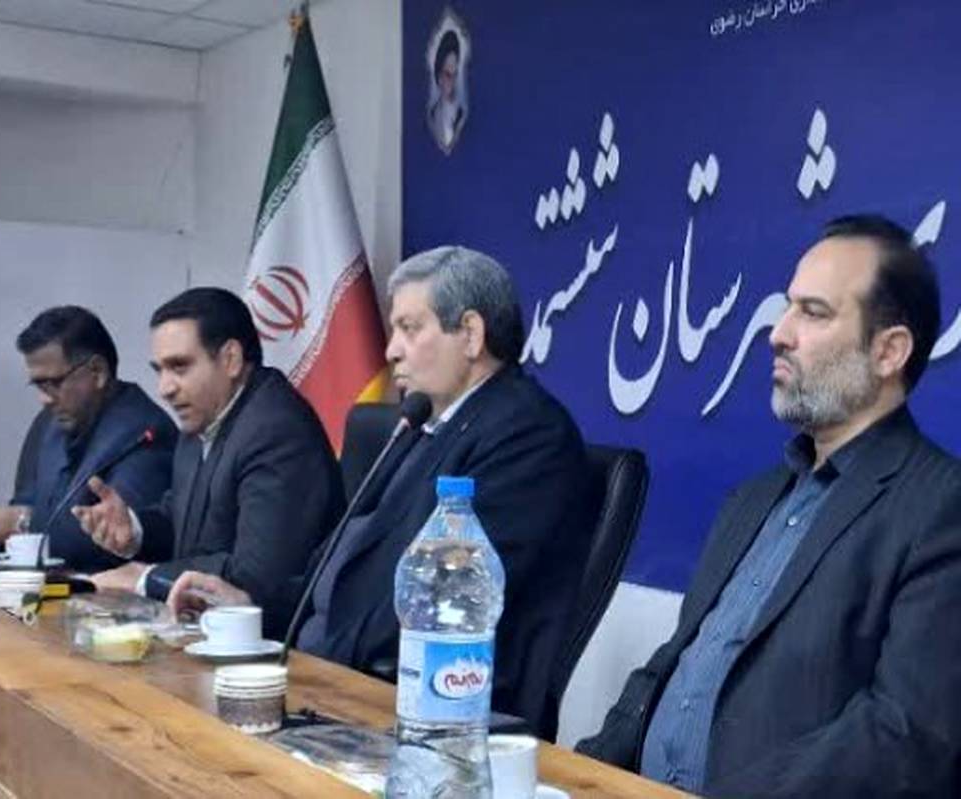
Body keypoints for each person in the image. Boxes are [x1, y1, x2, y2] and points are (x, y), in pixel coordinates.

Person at [577, 215, 961, 797]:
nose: (778, 333)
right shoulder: (752, 500)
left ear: (889, 351)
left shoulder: (940, 509)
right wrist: (578, 778)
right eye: (787, 307)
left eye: (813, 312)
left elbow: (903, 736)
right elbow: (674, 664)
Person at [164, 247, 599, 736]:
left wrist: (311, 673)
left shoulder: (525, 434)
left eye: (410, 328)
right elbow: (338, 573)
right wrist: (249, 605)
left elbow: (438, 604)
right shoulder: (425, 424)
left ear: (471, 334)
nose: (391, 350)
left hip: (425, 711)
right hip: (335, 681)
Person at [73, 288, 343, 617]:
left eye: (179, 367)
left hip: (274, 637)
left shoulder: (277, 431)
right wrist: (134, 530)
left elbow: (257, 577)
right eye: (159, 370)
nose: (165, 388)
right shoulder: (204, 416)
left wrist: (145, 579)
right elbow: (186, 523)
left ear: (230, 359)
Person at [0, 306, 176, 573]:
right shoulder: (48, 422)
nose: (44, 398)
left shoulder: (145, 433)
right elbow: (23, 503)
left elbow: (113, 536)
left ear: (97, 372)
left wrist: (21, 522)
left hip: (105, 591)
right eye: (38, 385)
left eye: (53, 383)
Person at [428, 29, 465, 152]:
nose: (452, 82)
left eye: (455, 75)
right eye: (448, 75)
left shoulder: (461, 114)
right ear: (439, 77)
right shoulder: (432, 114)